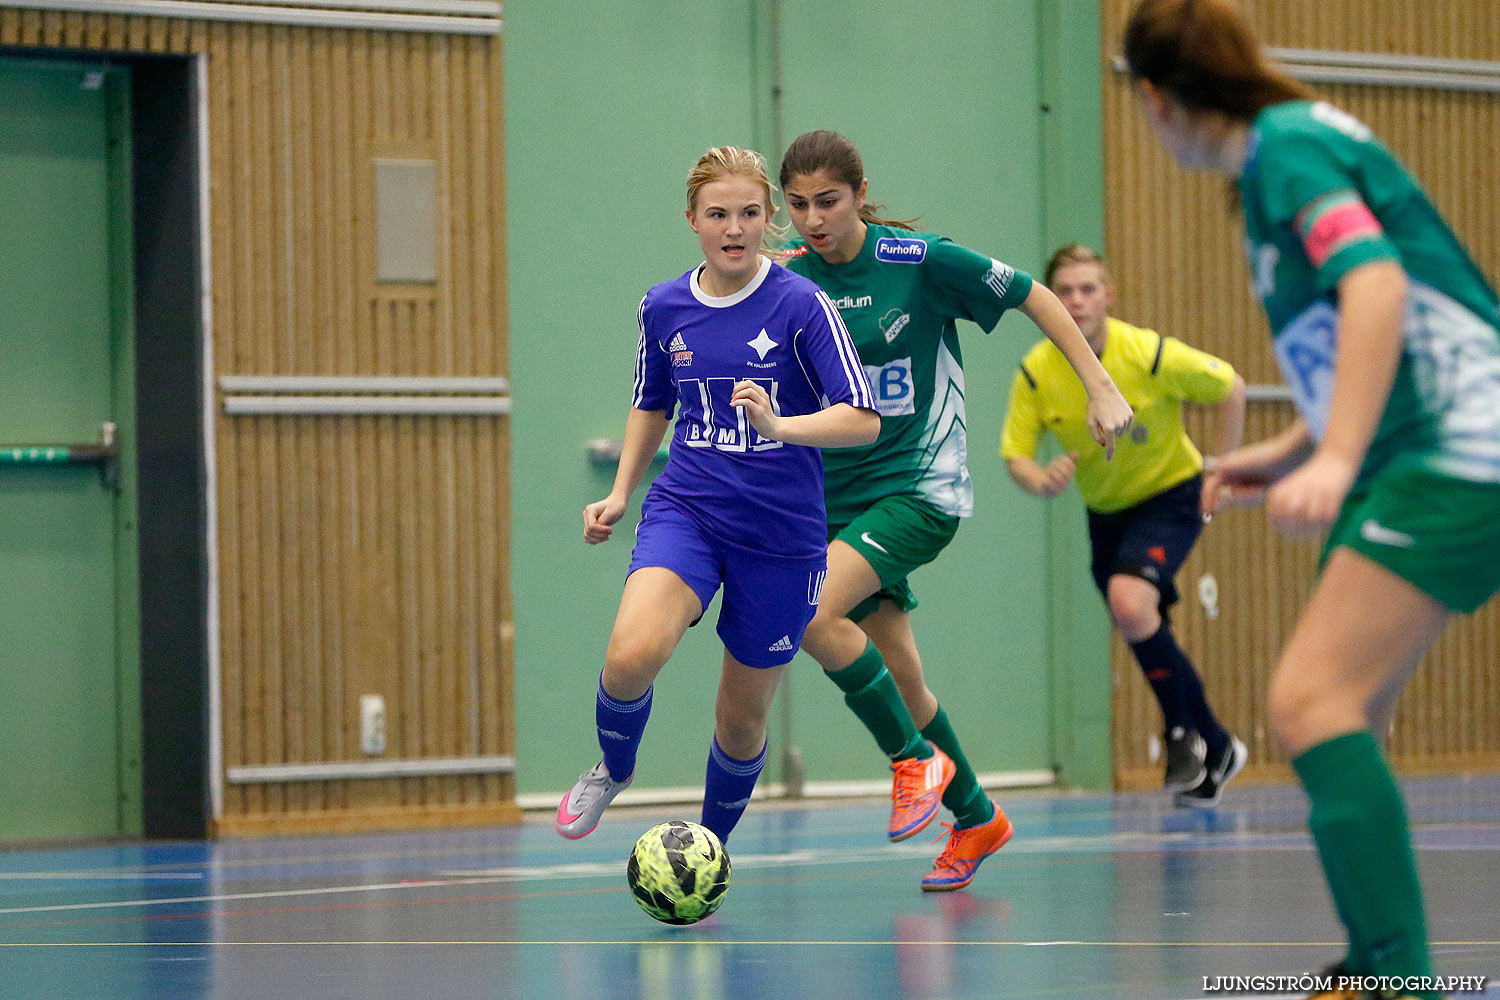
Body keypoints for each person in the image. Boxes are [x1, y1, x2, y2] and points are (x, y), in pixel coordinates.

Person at [1123, 2, 1500, 997]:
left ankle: (1403, 977)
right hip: (1420, 441)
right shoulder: (1277, 161)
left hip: (1460, 447)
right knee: (1352, 712)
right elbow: (1370, 336)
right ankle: (1379, 960)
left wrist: (1335, 454)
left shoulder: (1286, 151)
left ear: (1159, 101)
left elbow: (1374, 284)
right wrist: (1292, 450)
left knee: (1307, 700)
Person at [778, 130, 1135, 891]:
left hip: (917, 488)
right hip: (834, 504)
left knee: (809, 615)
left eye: (829, 202)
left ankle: (913, 763)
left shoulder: (922, 263)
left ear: (860, 191)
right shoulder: (790, 282)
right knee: (904, 682)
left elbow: (1031, 294)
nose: (813, 219)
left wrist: (1099, 383)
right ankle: (976, 818)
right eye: (799, 204)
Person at [556, 146, 879, 846]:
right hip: (689, 510)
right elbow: (652, 404)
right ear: (693, 221)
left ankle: (708, 849)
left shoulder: (803, 305)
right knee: (630, 656)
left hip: (782, 536)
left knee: (740, 719)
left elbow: (863, 418)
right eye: (718, 215)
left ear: (768, 221)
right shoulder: (664, 306)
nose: (734, 228)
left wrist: (779, 424)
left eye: (749, 214)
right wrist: (620, 493)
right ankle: (614, 766)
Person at [1000, 243, 1249, 807]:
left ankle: (1184, 734)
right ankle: (1213, 740)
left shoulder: (1148, 353)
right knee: (1136, 619)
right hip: (1105, 512)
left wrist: (1222, 469)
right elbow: (1015, 452)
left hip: (1172, 494)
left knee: (1131, 604)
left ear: (1108, 295)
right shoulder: (1038, 373)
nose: (1077, 300)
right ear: (1049, 302)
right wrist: (1040, 479)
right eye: (1064, 291)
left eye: (1088, 288)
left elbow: (1230, 386)